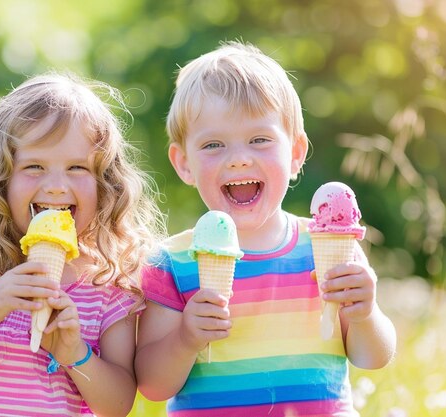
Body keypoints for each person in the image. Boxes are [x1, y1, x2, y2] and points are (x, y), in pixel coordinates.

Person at [135, 41, 397, 416]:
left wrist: (365, 313)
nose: (239, 159)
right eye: (213, 144)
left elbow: (373, 357)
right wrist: (185, 339)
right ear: (184, 163)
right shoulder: (172, 262)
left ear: (295, 154)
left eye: (260, 140)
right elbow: (152, 385)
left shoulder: (325, 247)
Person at [0, 71, 165, 416]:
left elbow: (118, 405)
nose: (57, 186)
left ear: (105, 184)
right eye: (34, 166)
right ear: (0, 179)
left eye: (77, 167)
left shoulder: (109, 285)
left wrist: (74, 352)